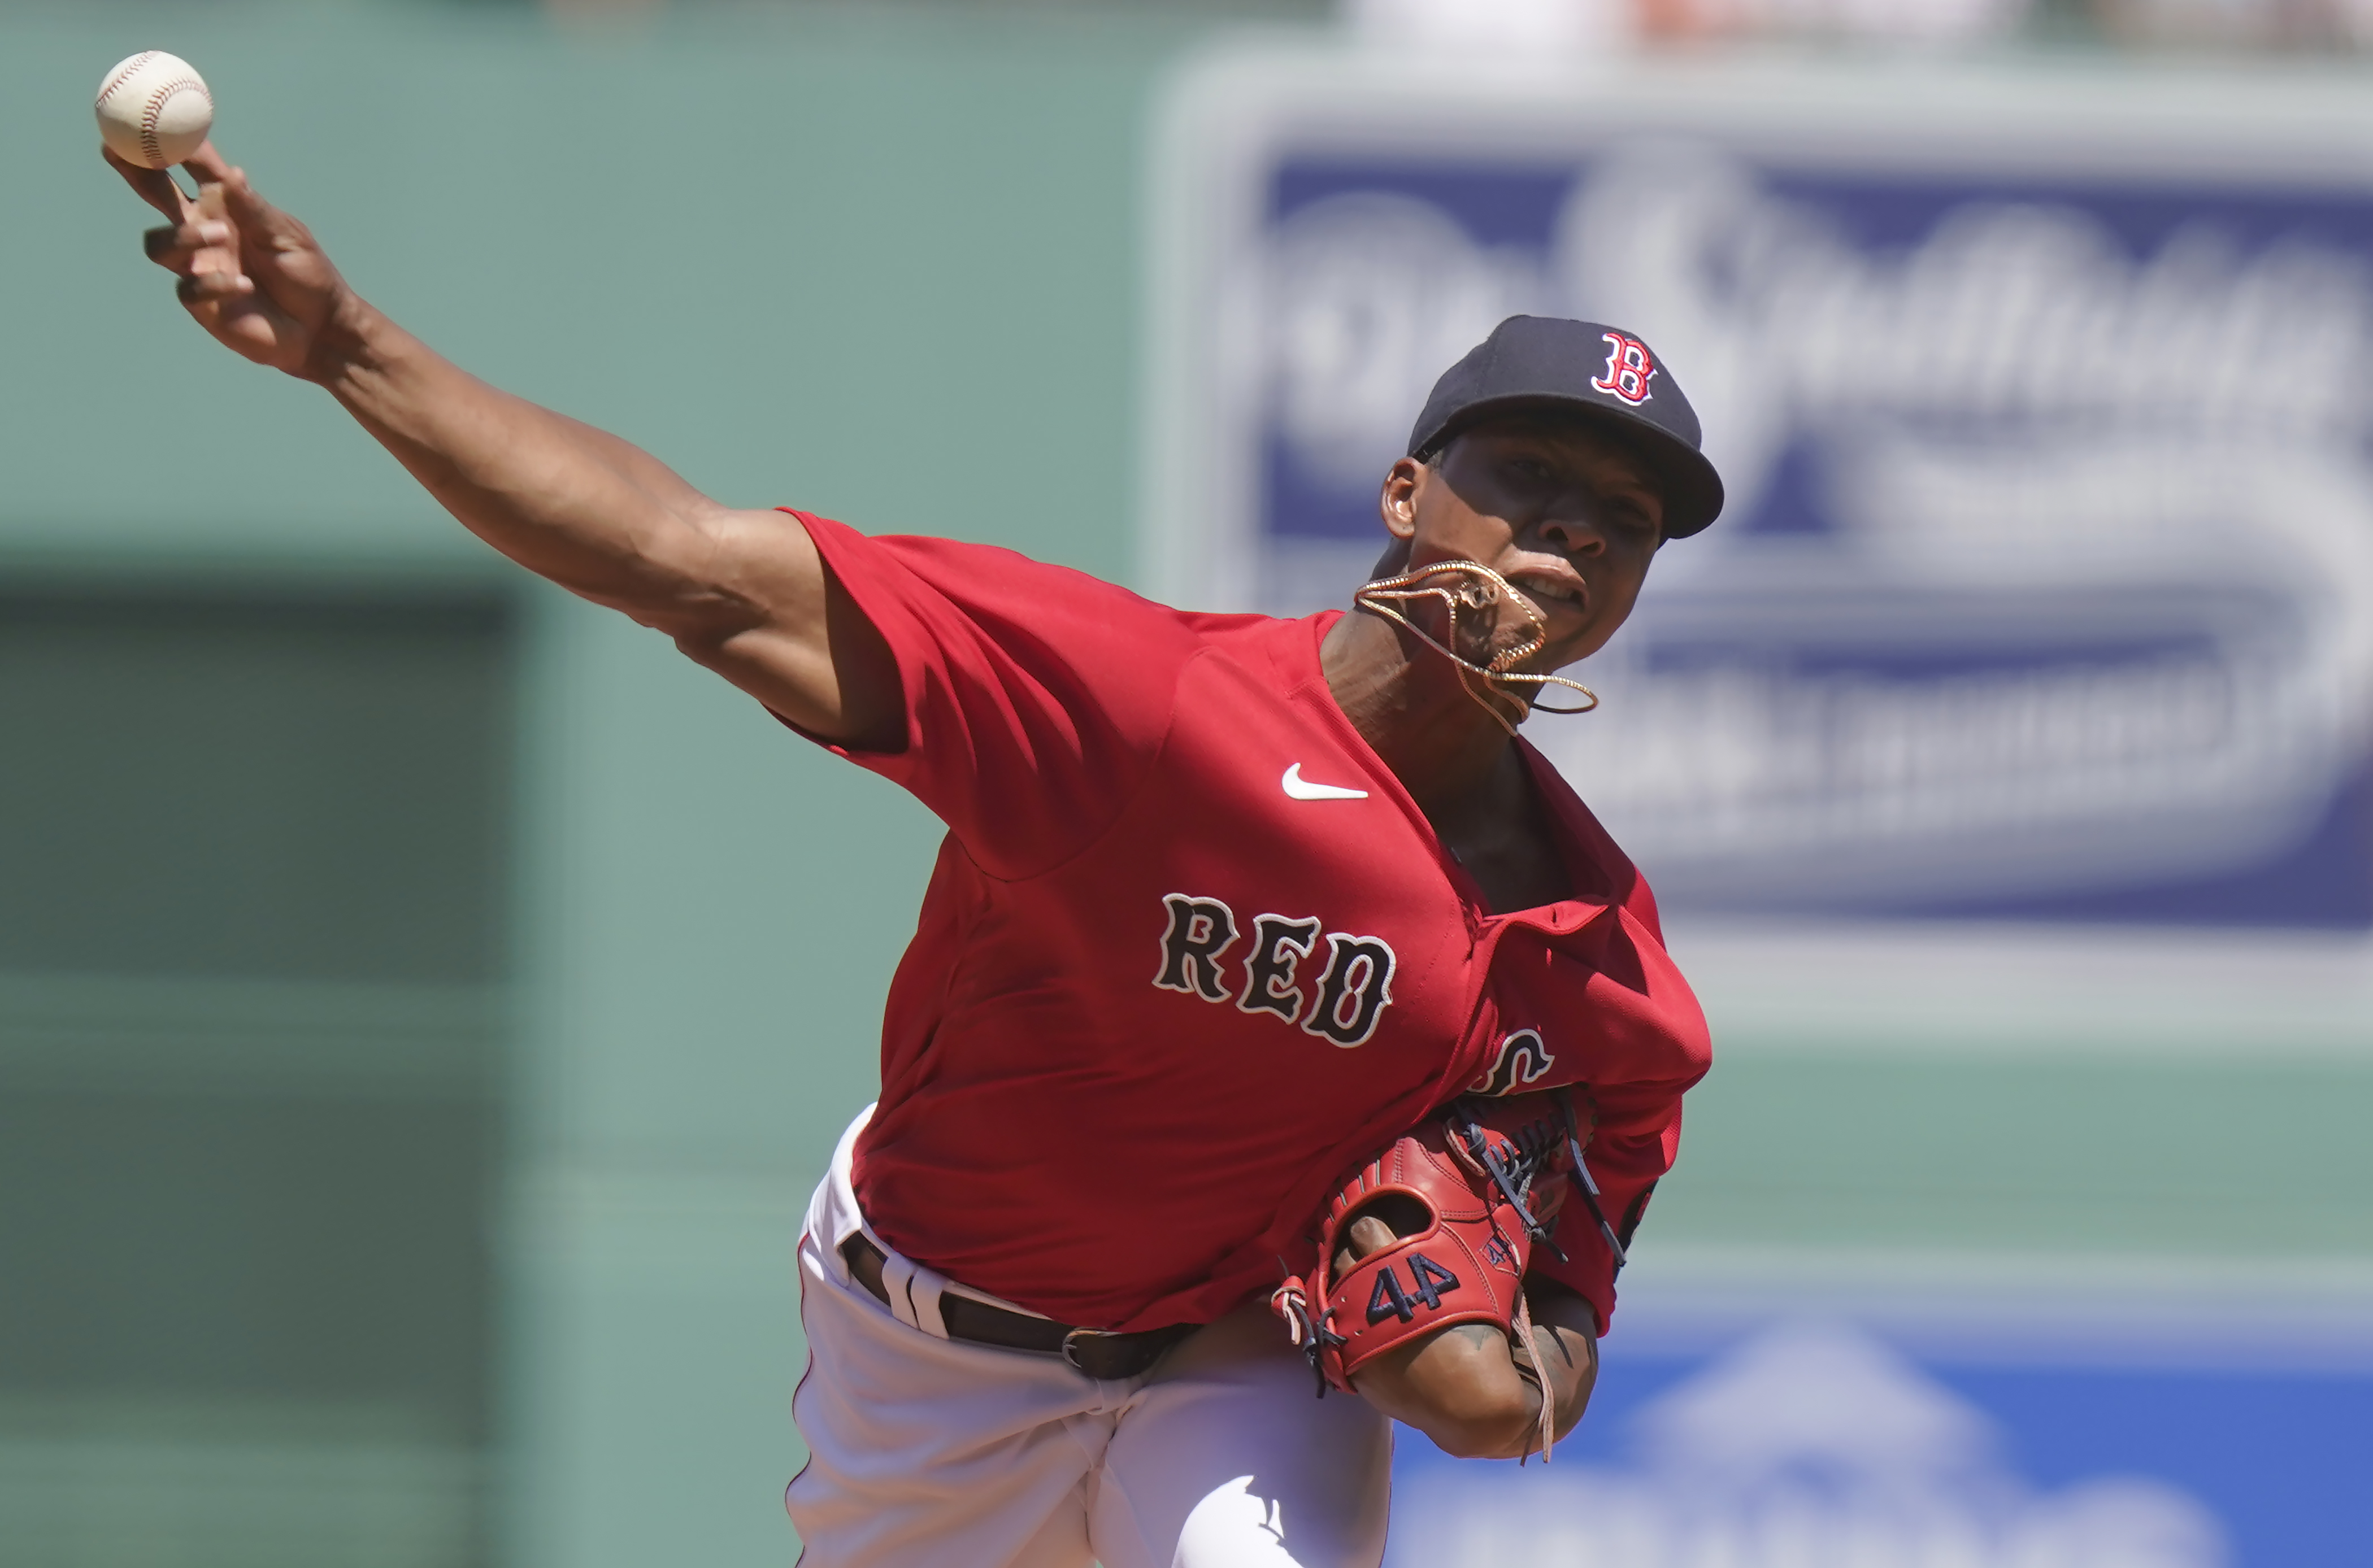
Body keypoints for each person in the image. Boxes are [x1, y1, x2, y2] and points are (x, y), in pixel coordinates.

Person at [111, 143, 1717, 1568]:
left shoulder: (1596, 946)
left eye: (1623, 521)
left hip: (1235, 1355)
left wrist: (1551, 1372)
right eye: (1531, 477)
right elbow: (691, 568)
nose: (1571, 532)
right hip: (932, 1354)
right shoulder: (1152, 714)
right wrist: (353, 352)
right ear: (1404, 490)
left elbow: (1597, 1194)